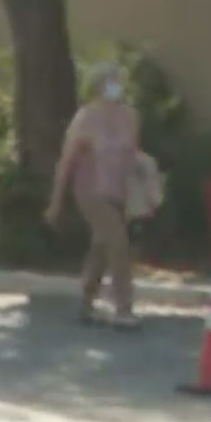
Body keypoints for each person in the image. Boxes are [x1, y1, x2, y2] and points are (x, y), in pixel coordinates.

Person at [48, 63, 146, 328]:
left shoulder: (130, 115)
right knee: (118, 243)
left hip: (119, 191)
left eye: (118, 79)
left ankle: (86, 302)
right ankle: (124, 308)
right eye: (111, 80)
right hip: (91, 192)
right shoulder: (85, 118)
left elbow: (132, 154)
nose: (117, 85)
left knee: (101, 246)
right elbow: (67, 162)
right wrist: (56, 202)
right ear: (99, 85)